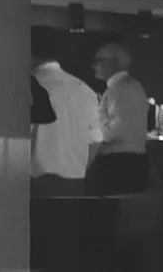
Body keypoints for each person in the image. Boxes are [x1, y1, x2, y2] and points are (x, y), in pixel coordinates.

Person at [30, 30, 100, 187]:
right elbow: (96, 140)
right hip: (75, 184)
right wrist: (78, 169)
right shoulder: (85, 90)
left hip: (34, 183)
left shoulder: (30, 87)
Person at [86, 40, 154, 193]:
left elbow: (116, 131)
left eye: (98, 60)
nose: (93, 66)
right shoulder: (134, 86)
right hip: (134, 163)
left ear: (112, 63)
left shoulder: (118, 90)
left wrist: (89, 134)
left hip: (118, 166)